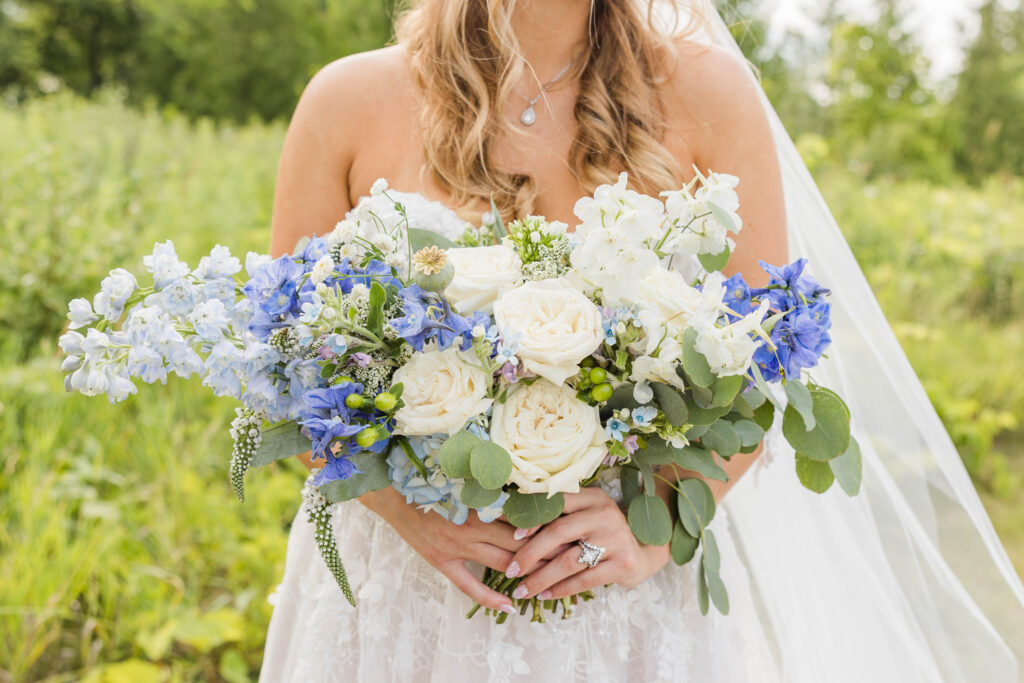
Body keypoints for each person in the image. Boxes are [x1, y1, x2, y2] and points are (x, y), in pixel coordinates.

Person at [259, 1, 1024, 681]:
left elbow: (766, 358)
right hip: (403, 593)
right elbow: (287, 368)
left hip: (619, 604)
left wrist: (655, 527)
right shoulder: (348, 100)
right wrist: (407, 512)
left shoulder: (712, 96)